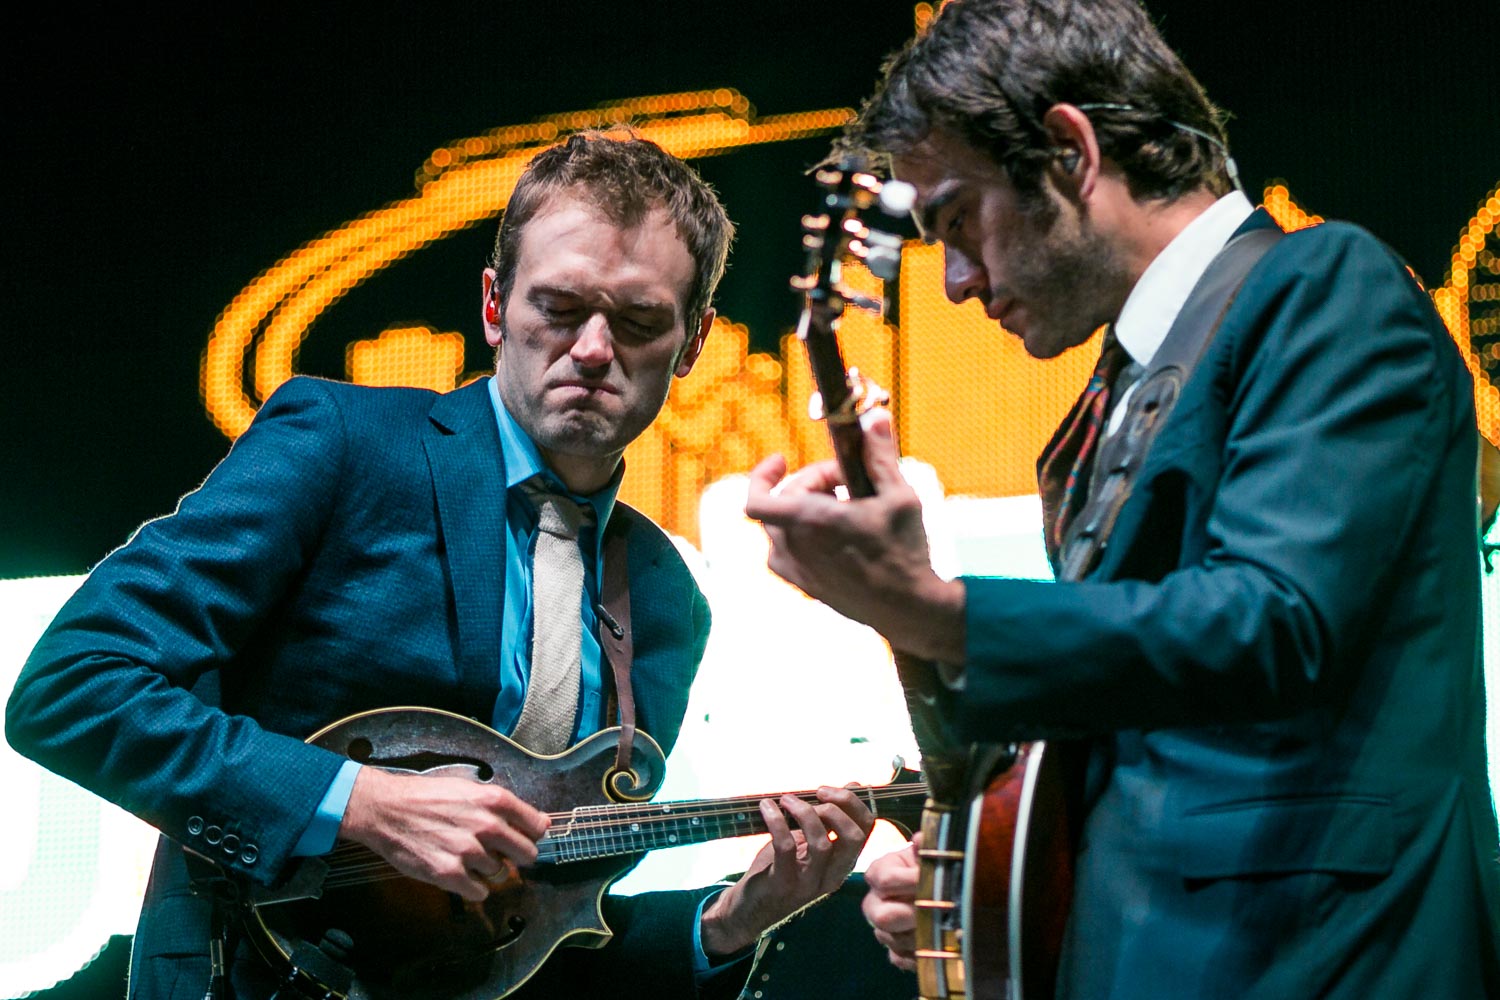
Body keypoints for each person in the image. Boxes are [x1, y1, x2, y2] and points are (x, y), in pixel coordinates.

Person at [6, 130, 873, 1000]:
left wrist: (733, 919)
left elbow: (535, 940)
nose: (593, 349)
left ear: (692, 343)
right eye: (559, 307)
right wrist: (362, 802)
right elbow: (73, 685)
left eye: (639, 322)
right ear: (494, 306)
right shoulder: (345, 446)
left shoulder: (664, 598)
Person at [744, 1, 1500, 997]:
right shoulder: (1112, 397)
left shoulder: (1325, 284)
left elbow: (1276, 623)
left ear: (1071, 152)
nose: (957, 281)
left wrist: (932, 607)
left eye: (958, 220)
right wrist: (975, 878)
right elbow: (1121, 730)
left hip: (1318, 963)